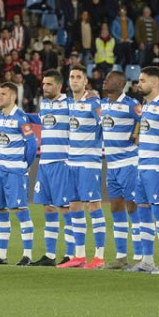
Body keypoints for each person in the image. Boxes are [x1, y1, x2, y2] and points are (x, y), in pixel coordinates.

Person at [0, 83, 38, 265]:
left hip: (16, 171)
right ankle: (2, 255)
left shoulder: (21, 118)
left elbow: (31, 145)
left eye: (3, 94)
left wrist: (24, 165)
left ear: (13, 97)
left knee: (20, 210)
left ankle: (27, 255)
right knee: (0, 209)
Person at [57, 65, 105, 269]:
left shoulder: (93, 102)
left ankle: (100, 256)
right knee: (74, 207)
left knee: (94, 205)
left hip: (89, 163)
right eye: (72, 77)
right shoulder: (68, 104)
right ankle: (79, 255)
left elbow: (106, 123)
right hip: (71, 162)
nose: (74, 80)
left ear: (85, 81)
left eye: (78, 77)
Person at [129, 66, 159, 273]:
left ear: (156, 83)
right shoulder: (145, 106)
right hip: (142, 165)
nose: (139, 84)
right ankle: (147, 260)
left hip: (157, 167)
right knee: (143, 212)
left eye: (143, 81)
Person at [100, 70, 143, 270]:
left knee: (133, 207)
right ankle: (121, 256)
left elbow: (146, 118)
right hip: (112, 165)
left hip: (129, 164)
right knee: (115, 207)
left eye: (109, 79)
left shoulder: (130, 104)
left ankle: (141, 256)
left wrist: (138, 134)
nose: (105, 80)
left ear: (120, 84)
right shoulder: (103, 104)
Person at [29, 69, 72, 266]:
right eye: (43, 84)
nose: (44, 87)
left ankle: (72, 254)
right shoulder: (44, 104)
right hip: (45, 162)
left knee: (66, 208)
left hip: (62, 163)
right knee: (48, 208)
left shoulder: (70, 104)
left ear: (59, 86)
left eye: (48, 84)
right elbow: (41, 119)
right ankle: (50, 255)